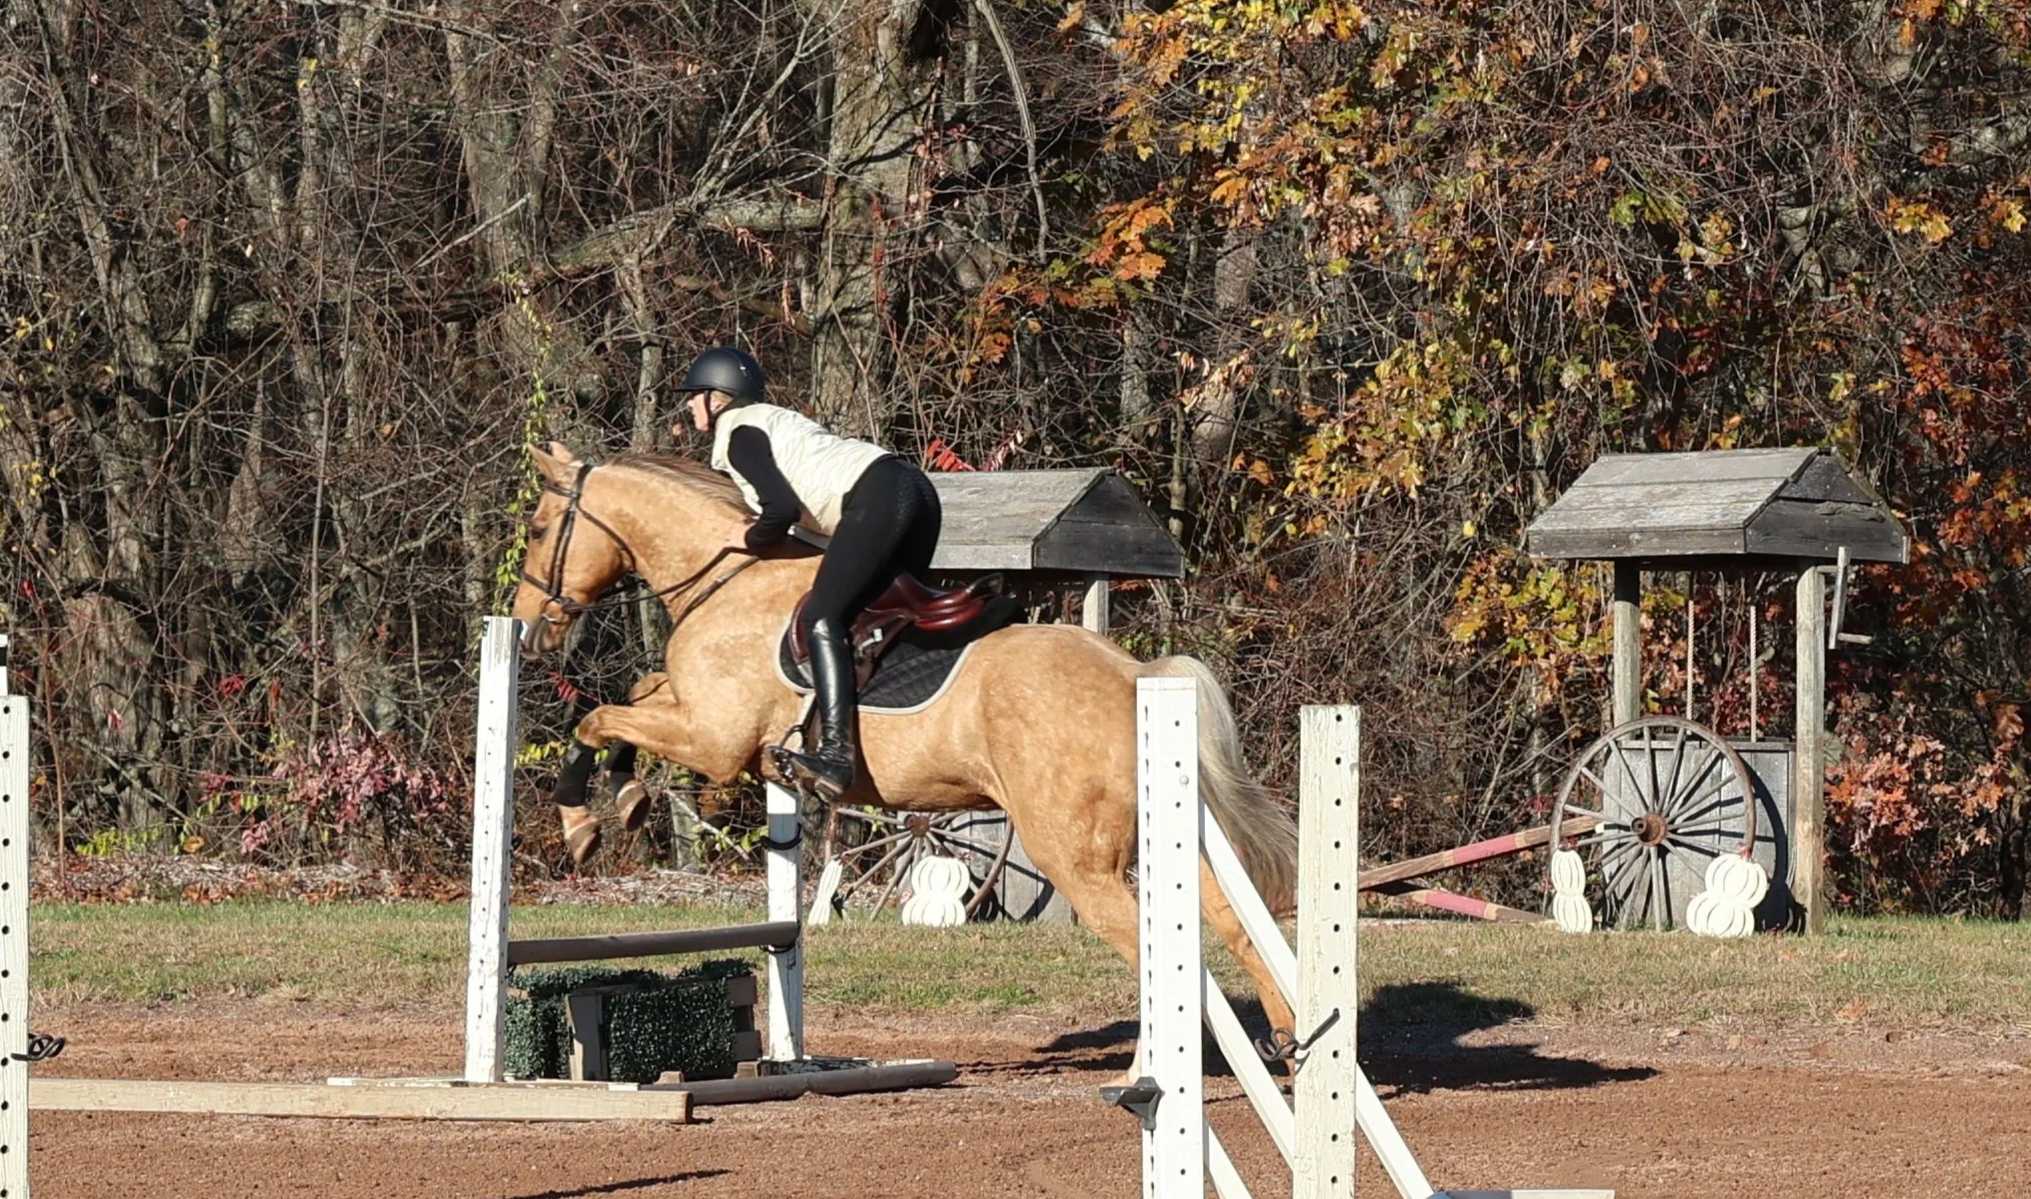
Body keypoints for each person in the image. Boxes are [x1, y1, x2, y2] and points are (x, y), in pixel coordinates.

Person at [671, 345, 942, 799]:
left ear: (718, 398)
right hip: (916, 492)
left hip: (877, 496)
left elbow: (780, 511)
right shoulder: (775, 422)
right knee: (878, 619)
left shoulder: (738, 433)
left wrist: (748, 538)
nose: (688, 404)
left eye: (693, 395)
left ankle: (836, 754)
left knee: (822, 618)